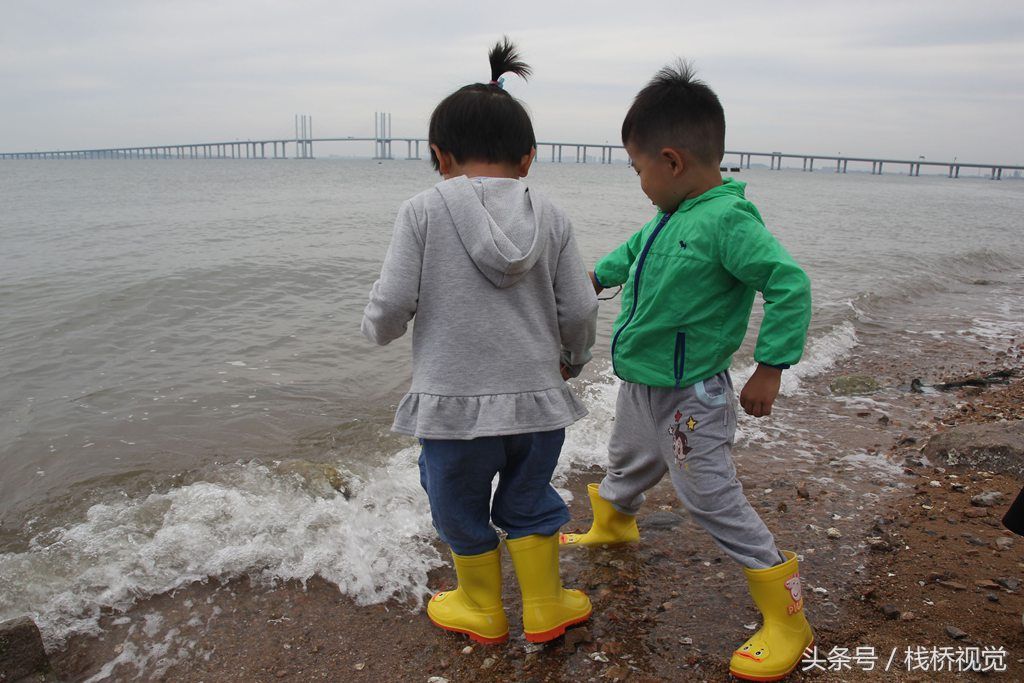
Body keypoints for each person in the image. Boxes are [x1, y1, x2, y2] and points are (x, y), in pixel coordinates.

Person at [560, 61, 814, 681]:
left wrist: (769, 367)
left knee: (708, 496)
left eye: (637, 168)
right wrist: (594, 277)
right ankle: (615, 525)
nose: (639, 182)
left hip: (692, 395)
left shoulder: (728, 221)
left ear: (671, 162)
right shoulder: (671, 213)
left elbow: (789, 284)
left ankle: (787, 613)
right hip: (642, 381)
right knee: (629, 456)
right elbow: (635, 251)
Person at [361, 38, 598, 646]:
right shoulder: (554, 216)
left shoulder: (421, 211)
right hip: (536, 405)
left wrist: (377, 331)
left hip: (451, 408)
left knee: (457, 504)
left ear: (438, 156)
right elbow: (579, 308)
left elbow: (392, 304)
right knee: (529, 498)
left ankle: (480, 606)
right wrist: (572, 360)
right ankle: (545, 605)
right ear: (529, 158)